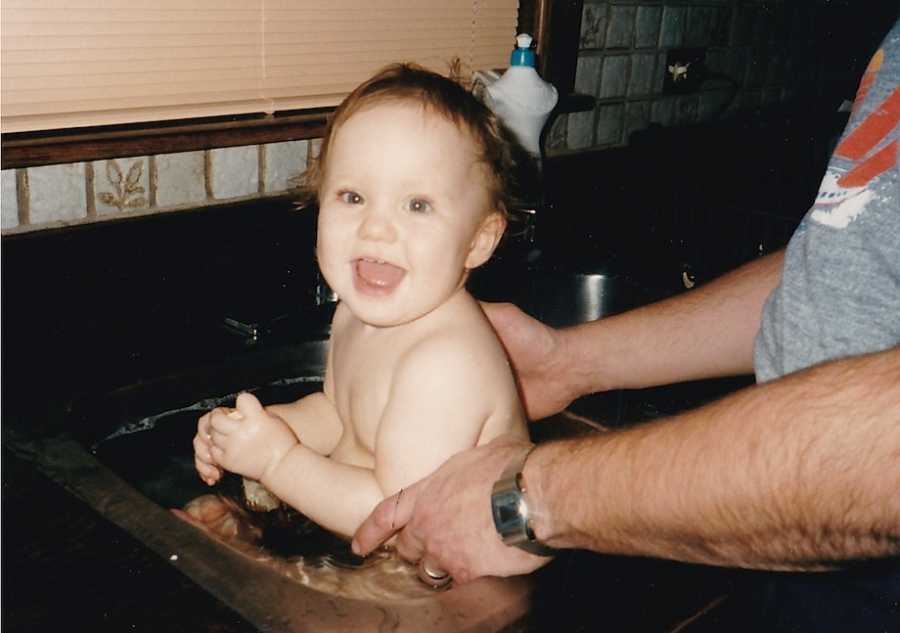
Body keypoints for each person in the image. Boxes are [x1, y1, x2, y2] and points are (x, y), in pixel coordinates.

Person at [352, 18, 900, 628]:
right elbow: (839, 271)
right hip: (802, 545)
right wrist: (571, 361)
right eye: (351, 197)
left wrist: (535, 499)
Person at [191, 65, 530, 577]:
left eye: (417, 204)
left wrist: (276, 462)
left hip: (437, 571)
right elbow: (338, 414)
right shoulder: (358, 312)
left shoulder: (446, 362)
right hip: (357, 530)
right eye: (353, 197)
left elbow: (393, 515)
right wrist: (261, 431)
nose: (376, 227)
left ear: (479, 240)